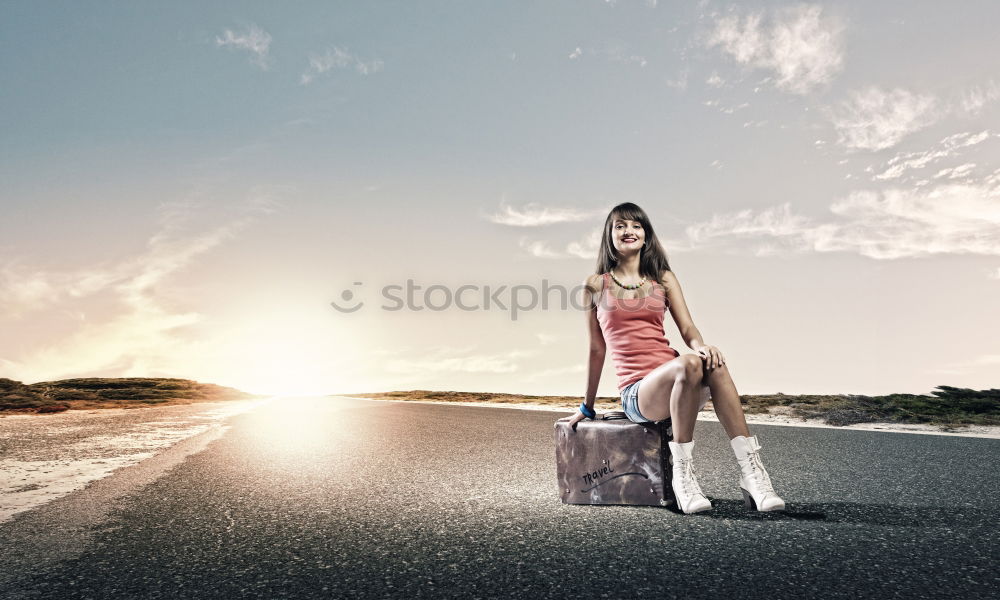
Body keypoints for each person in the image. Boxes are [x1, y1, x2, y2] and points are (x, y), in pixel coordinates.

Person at [567, 202, 786, 514]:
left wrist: (701, 345)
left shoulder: (663, 279)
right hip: (639, 393)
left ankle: (754, 474)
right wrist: (586, 406)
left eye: (636, 226)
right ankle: (683, 476)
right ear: (609, 235)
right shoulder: (596, 285)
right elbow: (596, 349)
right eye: (620, 226)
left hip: (681, 379)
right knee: (688, 364)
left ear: (646, 235)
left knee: (711, 361)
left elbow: (687, 327)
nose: (629, 231)